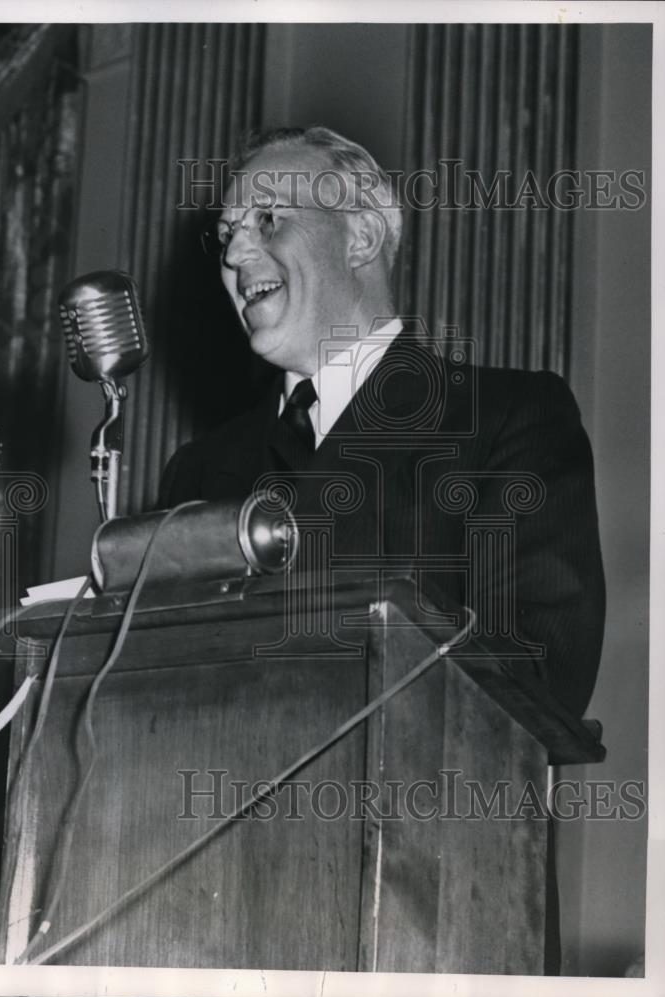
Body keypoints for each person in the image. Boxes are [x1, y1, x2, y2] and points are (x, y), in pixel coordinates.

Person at [158, 125, 605, 722]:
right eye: (226, 236)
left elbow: (541, 676)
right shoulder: (198, 470)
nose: (236, 255)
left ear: (360, 236)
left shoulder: (506, 419)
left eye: (266, 220)